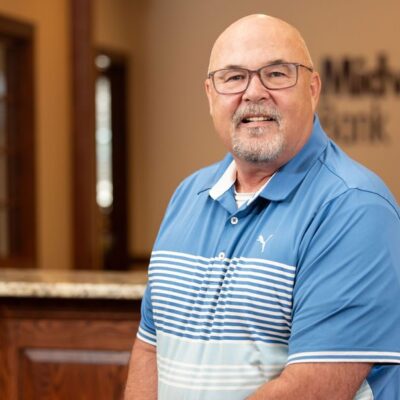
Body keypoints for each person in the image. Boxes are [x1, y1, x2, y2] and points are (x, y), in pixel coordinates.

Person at [124, 14, 400, 400]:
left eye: (276, 73)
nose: (254, 93)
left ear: (313, 88)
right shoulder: (187, 196)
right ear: (209, 93)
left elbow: (311, 391)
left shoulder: (355, 208)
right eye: (234, 77)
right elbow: (150, 347)